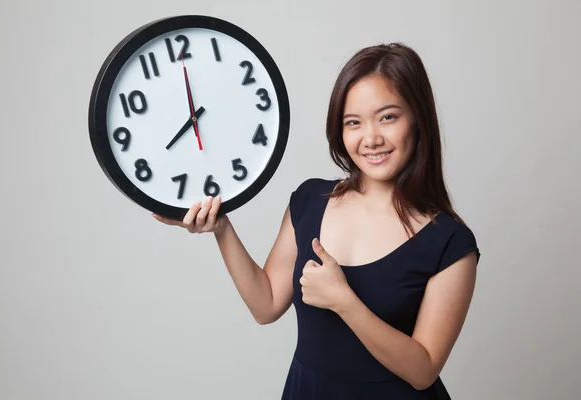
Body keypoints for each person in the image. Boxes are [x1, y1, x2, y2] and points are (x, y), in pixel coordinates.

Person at [153, 42, 481, 399]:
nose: (370, 138)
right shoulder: (310, 201)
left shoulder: (449, 242)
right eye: (353, 122)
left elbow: (423, 371)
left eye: (388, 117)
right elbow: (265, 306)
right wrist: (222, 229)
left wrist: (344, 301)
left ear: (417, 119)